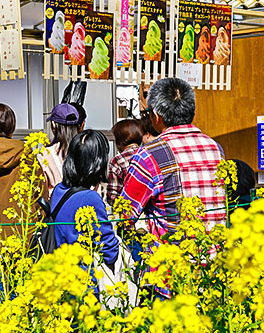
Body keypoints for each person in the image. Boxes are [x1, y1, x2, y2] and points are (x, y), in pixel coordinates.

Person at [121, 78, 226, 239]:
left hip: (172, 259)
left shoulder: (148, 155)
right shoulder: (216, 148)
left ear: (156, 116)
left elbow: (125, 215)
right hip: (217, 258)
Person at [51, 129, 119, 294]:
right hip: (82, 283)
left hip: (59, 278)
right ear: (98, 162)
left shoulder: (59, 190)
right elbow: (109, 251)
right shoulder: (89, 199)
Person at [38, 103, 82, 197]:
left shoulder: (45, 154)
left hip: (57, 209)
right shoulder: (86, 151)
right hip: (85, 208)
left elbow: (41, 191)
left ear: (53, 125)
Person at [106, 119, 143, 207]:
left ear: (119, 140)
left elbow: (113, 196)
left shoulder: (117, 161)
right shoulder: (149, 154)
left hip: (129, 212)